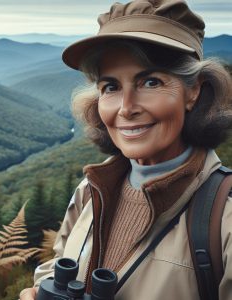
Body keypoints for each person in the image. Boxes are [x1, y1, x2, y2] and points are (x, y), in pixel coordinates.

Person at [19, 0, 232, 299]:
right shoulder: (92, 189)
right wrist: (39, 289)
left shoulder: (223, 218)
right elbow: (60, 263)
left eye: (150, 81)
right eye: (110, 87)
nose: (126, 108)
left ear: (193, 91)